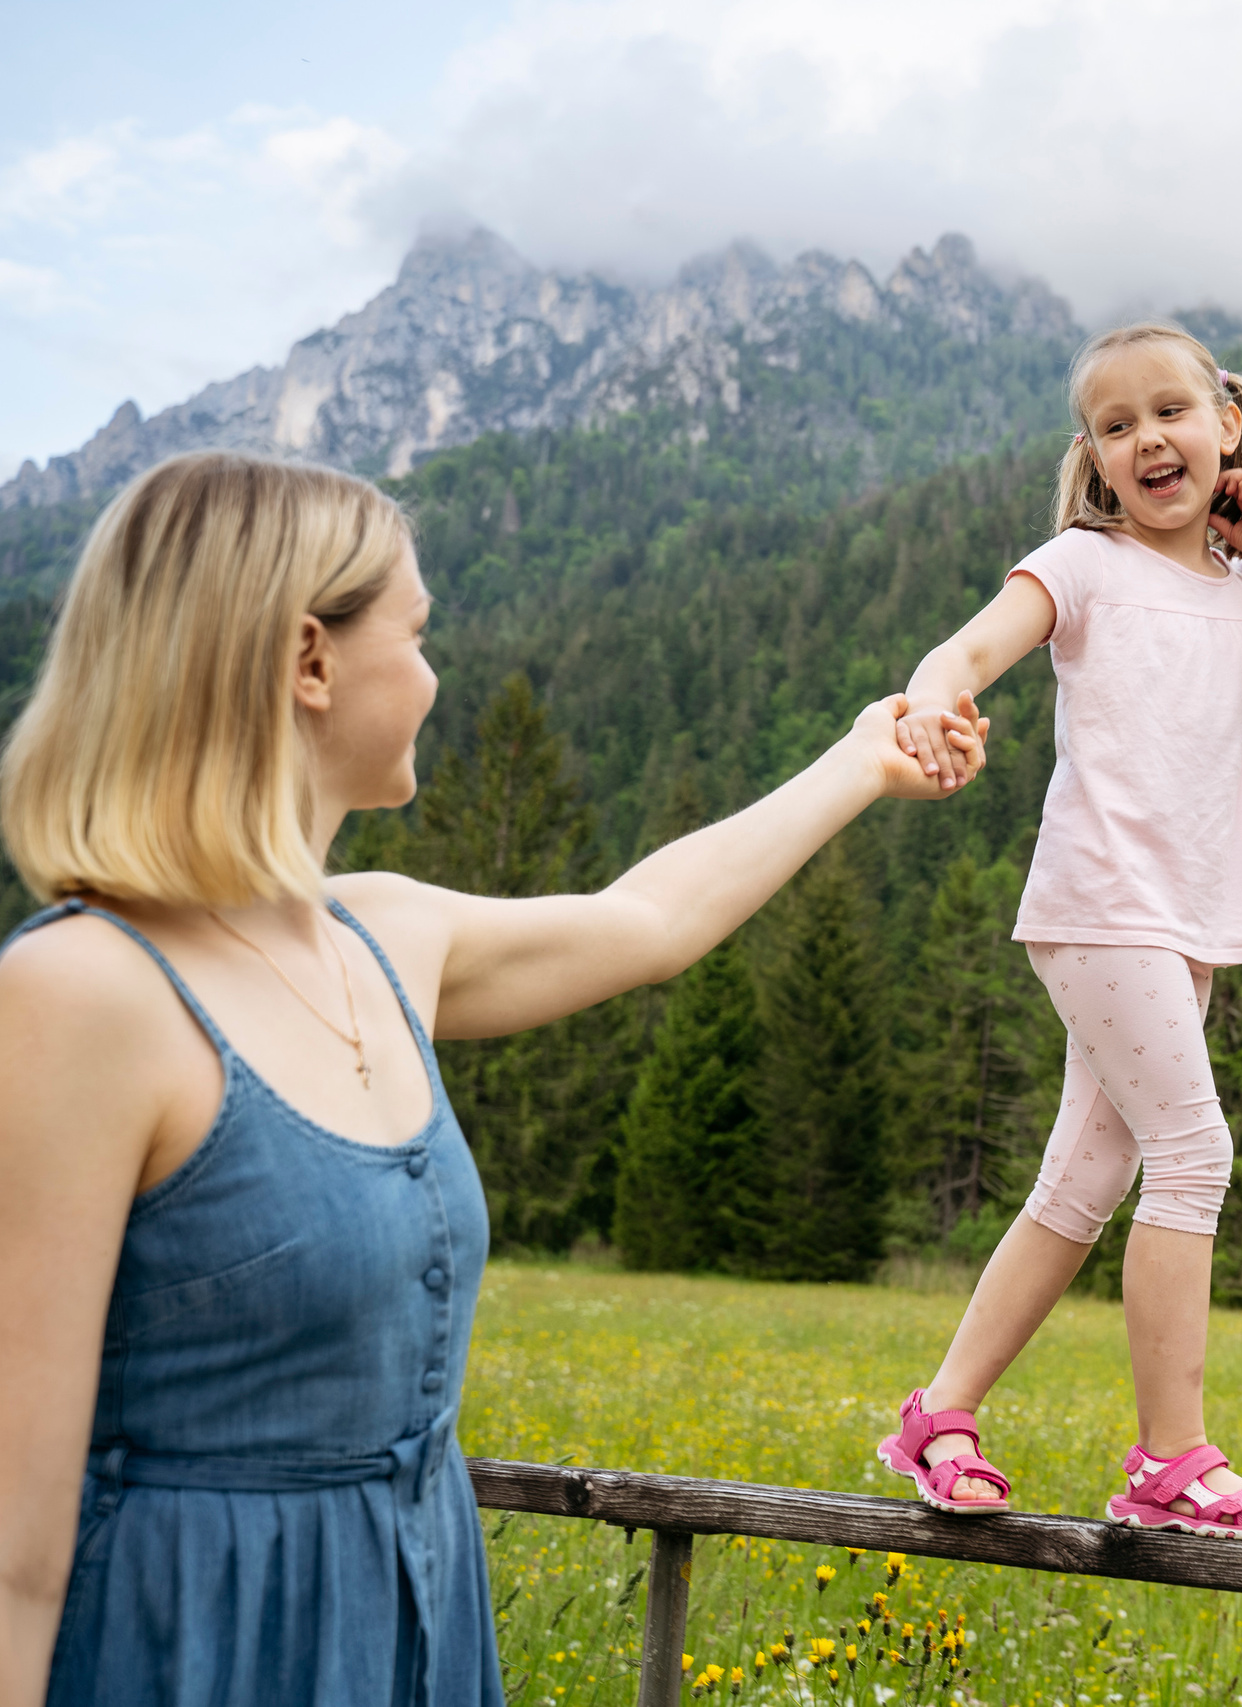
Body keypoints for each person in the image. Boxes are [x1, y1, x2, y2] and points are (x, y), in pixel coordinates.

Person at [0, 452, 980, 1707]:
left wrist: (861, 762)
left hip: (415, 1624)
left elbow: (649, 919)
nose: (434, 674)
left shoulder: (382, 934)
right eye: (415, 634)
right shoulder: (86, 993)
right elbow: (18, 1558)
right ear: (310, 660)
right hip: (192, 1643)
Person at [878, 323, 1242, 1539]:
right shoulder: (1082, 568)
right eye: (1116, 425)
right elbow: (965, 650)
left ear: (1225, 427)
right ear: (1091, 454)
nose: (1148, 439)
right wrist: (933, 704)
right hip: (1099, 905)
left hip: (1180, 927)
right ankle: (1173, 1462)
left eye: (1172, 413)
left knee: (1083, 1183)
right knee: (1196, 1154)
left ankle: (941, 1412)